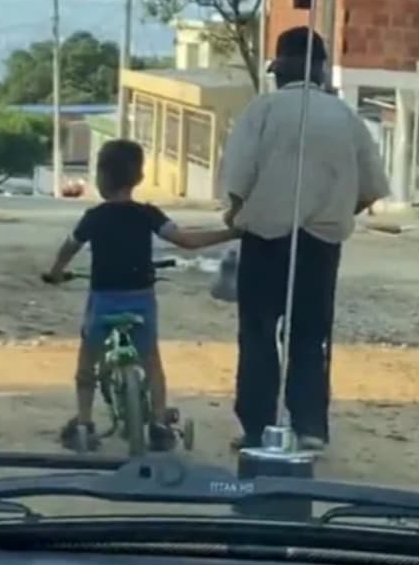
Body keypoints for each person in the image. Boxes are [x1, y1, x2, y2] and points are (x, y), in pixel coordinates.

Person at [220, 26, 390, 453]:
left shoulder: (262, 111)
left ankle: (259, 429)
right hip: (320, 245)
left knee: (258, 334)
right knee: (310, 335)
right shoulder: (346, 117)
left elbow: (238, 180)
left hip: (264, 240)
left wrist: (236, 215)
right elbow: (370, 188)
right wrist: (332, 211)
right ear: (321, 70)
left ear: (279, 69)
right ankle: (310, 426)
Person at [43, 139, 240, 452]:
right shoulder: (148, 214)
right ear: (138, 177)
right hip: (140, 300)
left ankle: (83, 422)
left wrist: (55, 271)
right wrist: (232, 232)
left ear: (101, 177)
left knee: (87, 363)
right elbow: (186, 240)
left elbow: (70, 246)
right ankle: (160, 423)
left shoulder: (93, 216)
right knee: (151, 361)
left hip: (104, 299)